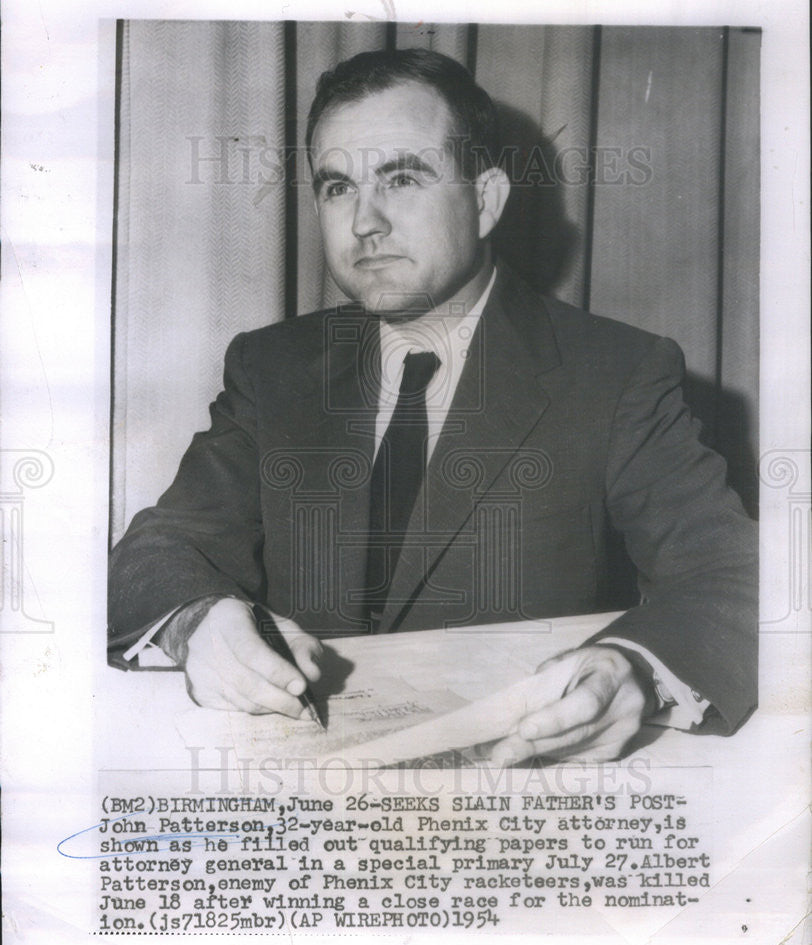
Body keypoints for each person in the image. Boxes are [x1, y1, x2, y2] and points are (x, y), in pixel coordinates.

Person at [108, 48, 757, 765]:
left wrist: (633, 668)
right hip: (299, 790)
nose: (364, 223)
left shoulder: (618, 372)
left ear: (486, 201)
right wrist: (197, 621)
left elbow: (729, 577)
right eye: (336, 187)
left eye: (403, 178)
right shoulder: (273, 367)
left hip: (525, 790)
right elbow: (161, 547)